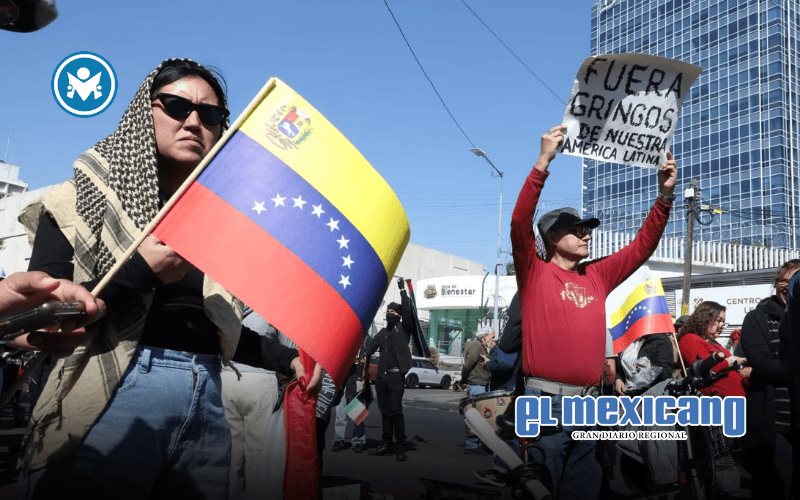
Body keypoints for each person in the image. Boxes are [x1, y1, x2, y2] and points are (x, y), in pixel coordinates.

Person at [16, 59, 318, 500]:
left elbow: (213, 327)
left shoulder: (218, 223)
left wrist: (287, 359)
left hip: (209, 399)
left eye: (210, 114)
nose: (194, 122)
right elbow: (44, 318)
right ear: (145, 112)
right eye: (177, 107)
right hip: (110, 396)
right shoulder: (77, 201)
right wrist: (140, 271)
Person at [510, 124, 676, 500]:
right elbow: (519, 222)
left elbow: (641, 247)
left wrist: (665, 196)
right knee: (541, 490)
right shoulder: (534, 272)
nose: (587, 234)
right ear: (552, 237)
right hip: (545, 403)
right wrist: (543, 161)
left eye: (588, 230)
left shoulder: (597, 275)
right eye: (577, 230)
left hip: (591, 404)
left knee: (583, 490)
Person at [740, 259, 800, 500]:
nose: (790, 286)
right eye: (785, 281)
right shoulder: (757, 318)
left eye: (796, 281)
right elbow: (763, 364)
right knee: (775, 487)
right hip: (775, 425)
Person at [677, 301, 747, 498]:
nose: (722, 325)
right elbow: (707, 369)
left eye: (724, 321)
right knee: (720, 458)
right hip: (717, 406)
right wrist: (731, 361)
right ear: (705, 318)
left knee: (726, 456)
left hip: (733, 405)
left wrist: (740, 368)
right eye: (718, 320)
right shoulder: (690, 339)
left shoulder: (712, 342)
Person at [365, 277, 414, 462]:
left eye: (392, 312)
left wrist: (402, 291)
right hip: (381, 379)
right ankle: (386, 443)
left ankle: (400, 445)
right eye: (387, 311)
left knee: (396, 411)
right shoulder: (382, 333)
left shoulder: (403, 329)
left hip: (396, 378)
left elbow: (407, 311)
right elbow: (369, 348)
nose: (389, 314)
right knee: (385, 412)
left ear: (398, 316)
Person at [461, 327, 495, 453]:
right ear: (485, 337)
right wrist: (463, 380)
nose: (493, 339)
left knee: (480, 415)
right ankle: (472, 444)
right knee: (475, 415)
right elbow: (468, 365)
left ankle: (476, 443)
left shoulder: (481, 346)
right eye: (492, 337)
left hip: (480, 384)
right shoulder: (476, 346)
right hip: (476, 384)